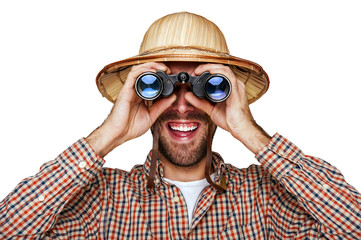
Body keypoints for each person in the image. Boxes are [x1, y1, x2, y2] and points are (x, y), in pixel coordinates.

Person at [0, 11, 360, 239]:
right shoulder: (101, 200)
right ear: (138, 94)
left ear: (230, 94)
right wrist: (108, 135)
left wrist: (250, 132)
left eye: (210, 87)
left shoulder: (265, 197)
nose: (183, 105)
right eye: (160, 86)